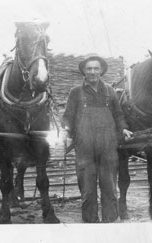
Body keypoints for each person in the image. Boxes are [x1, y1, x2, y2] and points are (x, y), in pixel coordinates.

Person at [62, 54, 133, 223]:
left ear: (101, 71)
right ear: (84, 72)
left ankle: (110, 222)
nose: (93, 72)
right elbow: (67, 117)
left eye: (96, 69)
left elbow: (118, 114)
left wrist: (123, 129)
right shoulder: (75, 92)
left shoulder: (109, 91)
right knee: (87, 187)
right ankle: (90, 222)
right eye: (89, 69)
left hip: (108, 145)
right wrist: (66, 130)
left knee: (109, 186)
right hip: (84, 146)